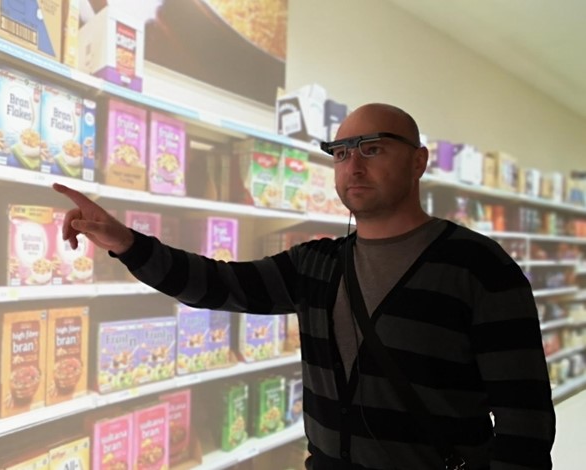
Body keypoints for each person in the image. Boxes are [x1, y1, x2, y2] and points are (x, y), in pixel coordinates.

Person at [53, 103, 555, 469]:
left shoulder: (478, 267)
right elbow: (218, 284)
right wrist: (125, 241)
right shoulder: (317, 263)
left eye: (372, 149)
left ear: (419, 161)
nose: (353, 166)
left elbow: (525, 422)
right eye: (340, 154)